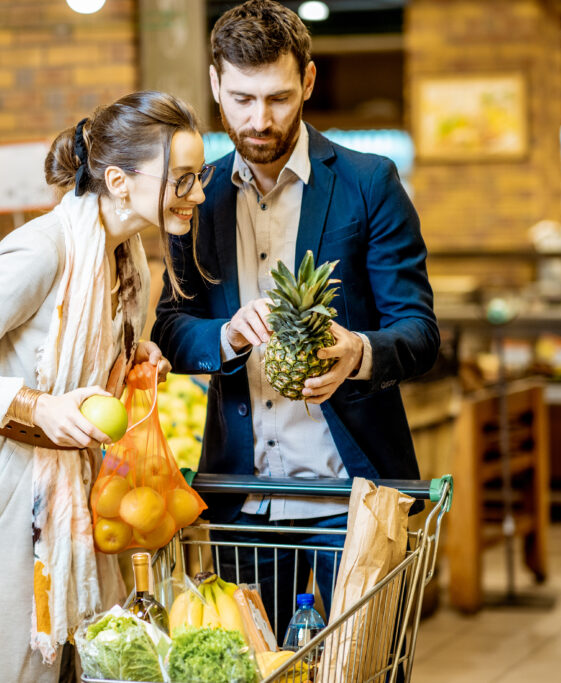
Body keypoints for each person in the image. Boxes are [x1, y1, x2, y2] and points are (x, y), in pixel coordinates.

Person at [151, 0, 439, 639]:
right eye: (243, 99)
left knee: (360, 667)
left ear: (307, 81)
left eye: (279, 98)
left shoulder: (370, 183)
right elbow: (170, 325)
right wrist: (223, 336)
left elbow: (420, 332)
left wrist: (358, 351)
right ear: (215, 85)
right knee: (247, 668)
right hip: (242, 496)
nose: (260, 119)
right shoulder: (197, 196)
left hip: (352, 496)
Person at [0, 91, 214, 683]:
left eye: (197, 177)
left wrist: (132, 357)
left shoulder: (128, 259)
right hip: (5, 493)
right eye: (181, 180)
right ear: (120, 181)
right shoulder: (42, 249)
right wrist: (35, 406)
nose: (197, 194)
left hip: (76, 486)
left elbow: (85, 356)